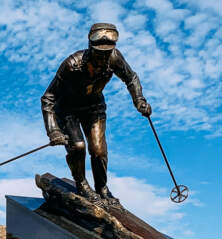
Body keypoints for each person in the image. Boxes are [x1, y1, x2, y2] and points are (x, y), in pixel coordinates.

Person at [41, 22, 152, 200]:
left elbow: (131, 78)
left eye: (107, 53)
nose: (103, 58)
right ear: (90, 47)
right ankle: (82, 185)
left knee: (99, 151)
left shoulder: (115, 58)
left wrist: (139, 100)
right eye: (99, 53)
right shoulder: (71, 64)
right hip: (68, 109)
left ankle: (102, 188)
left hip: (94, 108)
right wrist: (53, 130)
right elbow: (48, 98)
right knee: (77, 147)